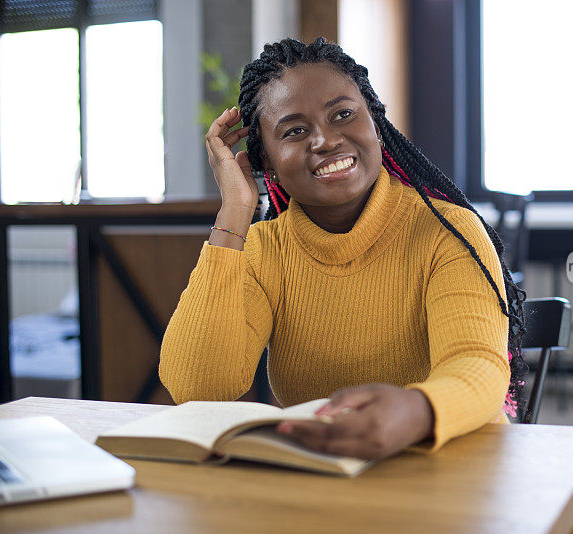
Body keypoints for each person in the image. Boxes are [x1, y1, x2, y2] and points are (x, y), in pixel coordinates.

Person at [159, 37, 526, 460]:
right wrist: (235, 213)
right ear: (268, 164)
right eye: (295, 130)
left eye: (343, 115)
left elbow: (478, 366)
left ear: (375, 122)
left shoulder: (446, 231)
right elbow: (198, 385)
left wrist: (415, 411)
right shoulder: (264, 249)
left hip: (447, 466)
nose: (325, 140)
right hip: (326, 473)